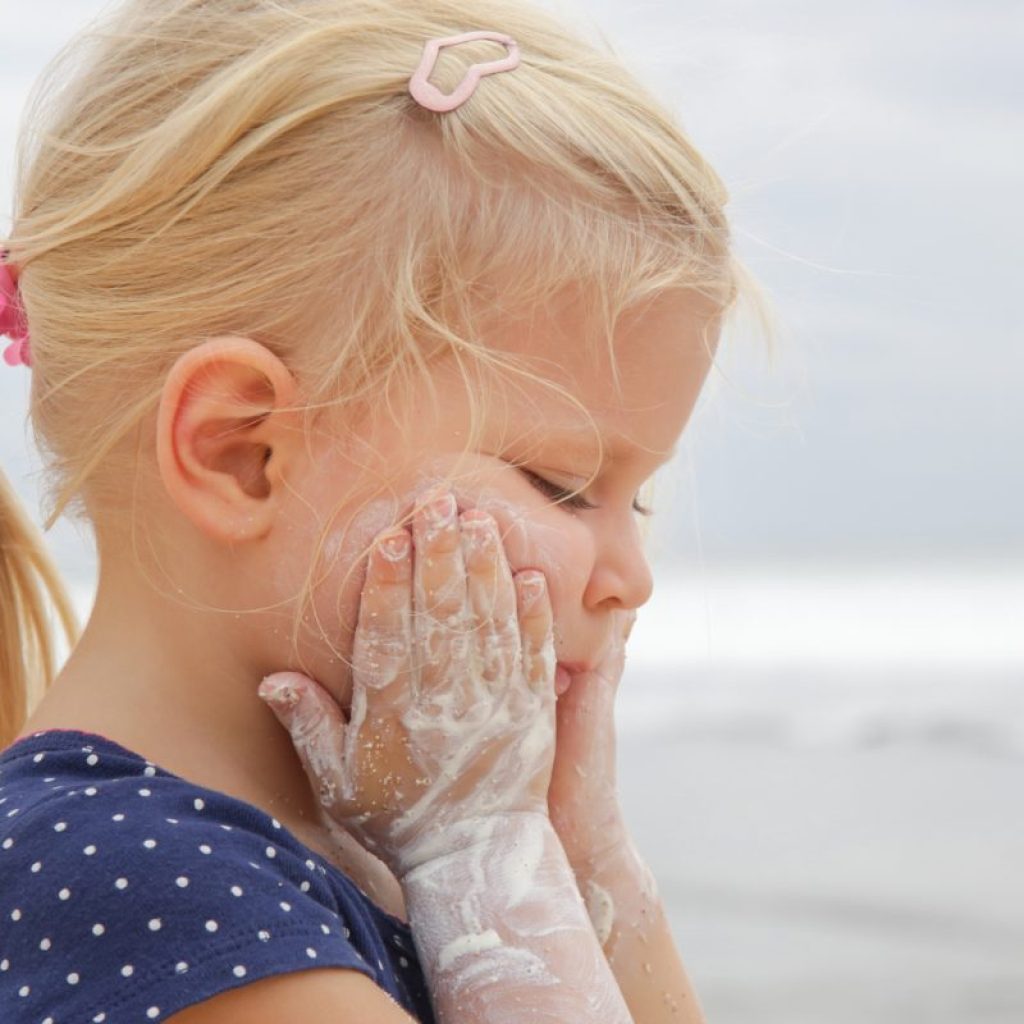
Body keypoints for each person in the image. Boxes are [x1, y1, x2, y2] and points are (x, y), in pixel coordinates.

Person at [0, 1, 772, 1021]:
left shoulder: (381, 837)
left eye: (641, 494)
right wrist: (483, 858)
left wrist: (584, 858)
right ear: (242, 452)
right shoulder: (140, 889)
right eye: (563, 485)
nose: (630, 574)